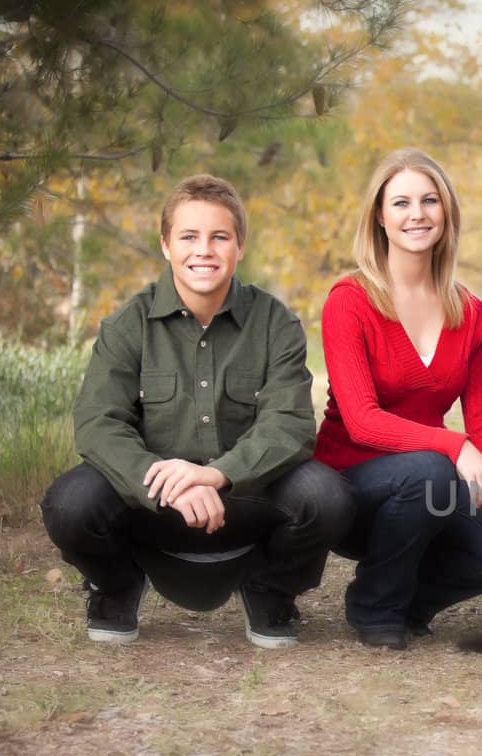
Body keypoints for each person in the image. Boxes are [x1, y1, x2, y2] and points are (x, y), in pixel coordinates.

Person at [42, 174, 353, 648]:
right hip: (149, 502)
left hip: (243, 500)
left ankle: (271, 589)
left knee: (327, 496)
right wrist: (160, 478)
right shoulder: (128, 324)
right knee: (70, 503)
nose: (203, 250)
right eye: (189, 236)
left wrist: (216, 475)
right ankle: (116, 585)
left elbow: (288, 425)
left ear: (240, 246)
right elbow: (97, 423)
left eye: (219, 237)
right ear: (166, 244)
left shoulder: (275, 323)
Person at [315, 149, 482, 649]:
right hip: (352, 486)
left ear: (447, 212)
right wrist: (453, 446)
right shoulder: (349, 301)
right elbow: (362, 422)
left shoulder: (471, 312)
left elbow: (481, 414)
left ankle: (408, 599)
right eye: (400, 203)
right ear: (379, 216)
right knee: (429, 469)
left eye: (429, 201)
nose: (416, 214)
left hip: (426, 483)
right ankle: (377, 606)